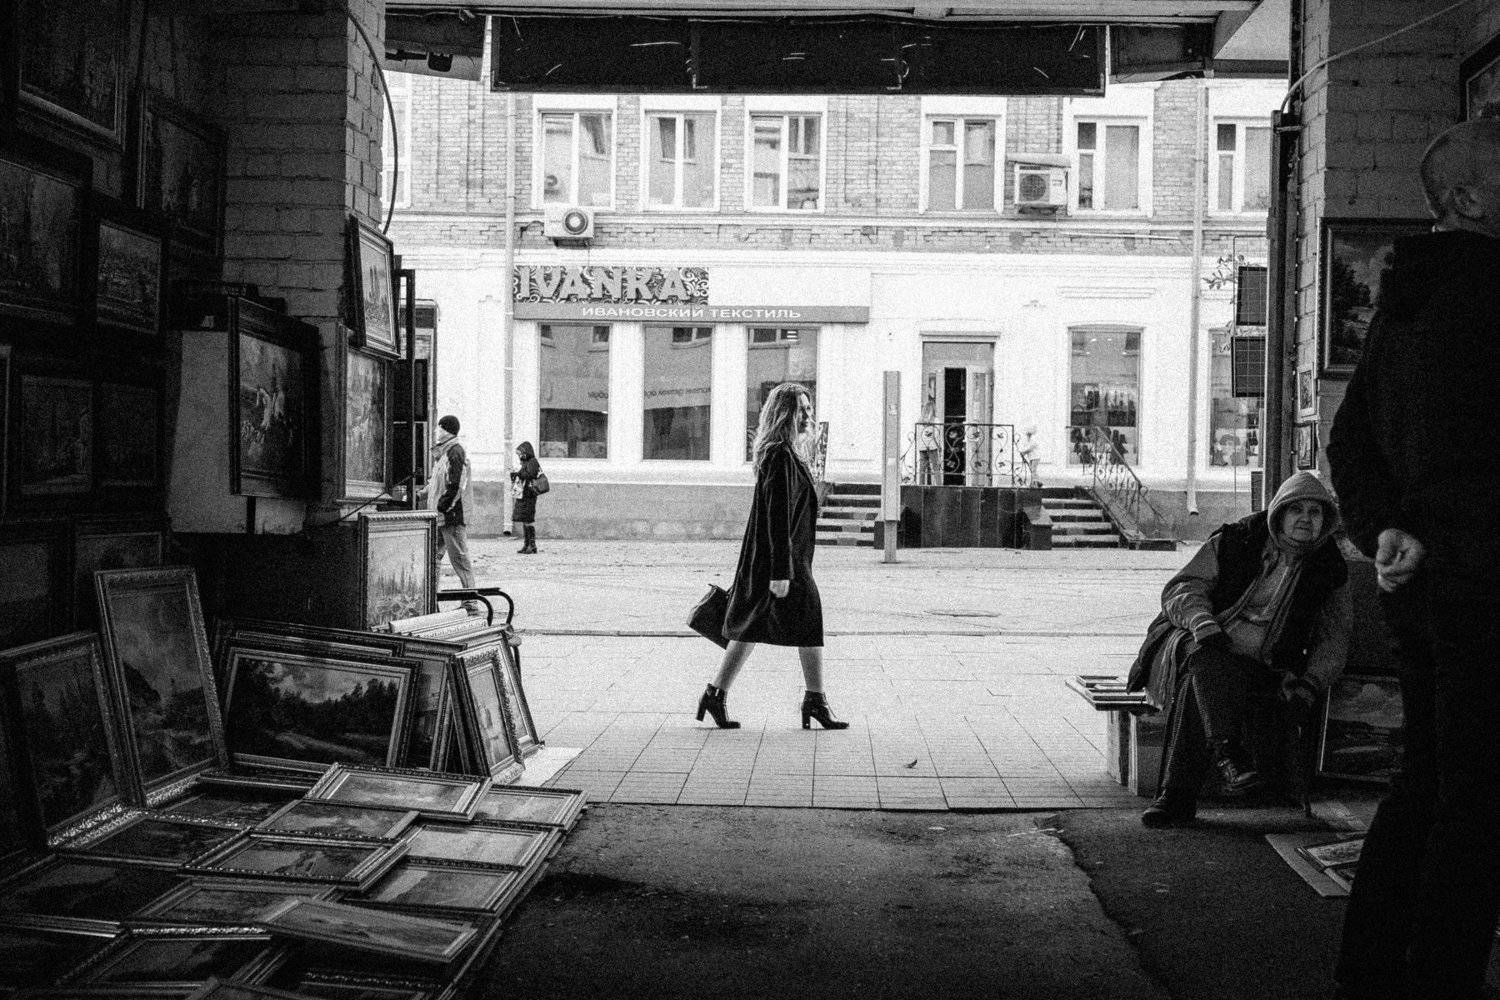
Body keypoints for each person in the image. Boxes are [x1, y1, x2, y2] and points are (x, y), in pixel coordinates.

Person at [1327, 120, 1500, 1000]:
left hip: (1427, 582)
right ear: (1468, 198)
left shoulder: (1407, 302)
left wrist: (1386, 527)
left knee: (1430, 782)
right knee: (1479, 802)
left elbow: (1349, 438)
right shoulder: (1485, 295)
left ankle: (1369, 972)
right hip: (1484, 583)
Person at [1126, 471, 1350, 828]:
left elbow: (1334, 637)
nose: (1306, 519)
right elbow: (1182, 588)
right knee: (1208, 659)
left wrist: (1310, 683)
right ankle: (1226, 753)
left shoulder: (1329, 567)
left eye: (1315, 512)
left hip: (1264, 663)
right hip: (1201, 639)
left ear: (1326, 520)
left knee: (1200, 682)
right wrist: (1203, 622)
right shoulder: (1238, 540)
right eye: (1297, 510)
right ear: (1279, 513)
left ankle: (1184, 790)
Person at [696, 382, 848, 732]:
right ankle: (815, 701)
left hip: (783, 559)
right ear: (784, 413)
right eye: (801, 409)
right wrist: (781, 572)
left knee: (751, 626)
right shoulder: (780, 455)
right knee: (807, 621)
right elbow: (777, 517)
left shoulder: (788, 453)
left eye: (809, 409)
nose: (808, 416)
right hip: (779, 562)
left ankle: (715, 695)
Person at [421, 415, 478, 614]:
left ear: (447, 430)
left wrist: (444, 507)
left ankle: (471, 604)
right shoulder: (444, 454)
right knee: (433, 558)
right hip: (439, 517)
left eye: (439, 428)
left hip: (451, 517)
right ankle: (431, 602)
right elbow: (436, 483)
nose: (437, 431)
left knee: (460, 560)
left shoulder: (455, 452)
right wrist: (421, 494)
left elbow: (456, 485)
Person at [510, 441, 543, 555]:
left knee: (528, 519)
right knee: (525, 519)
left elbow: (530, 475)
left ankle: (532, 545)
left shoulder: (532, 462)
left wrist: (519, 474)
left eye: (520, 453)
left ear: (526, 452)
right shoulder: (526, 462)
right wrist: (515, 475)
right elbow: (522, 475)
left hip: (530, 494)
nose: (519, 456)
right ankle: (526, 544)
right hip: (524, 494)